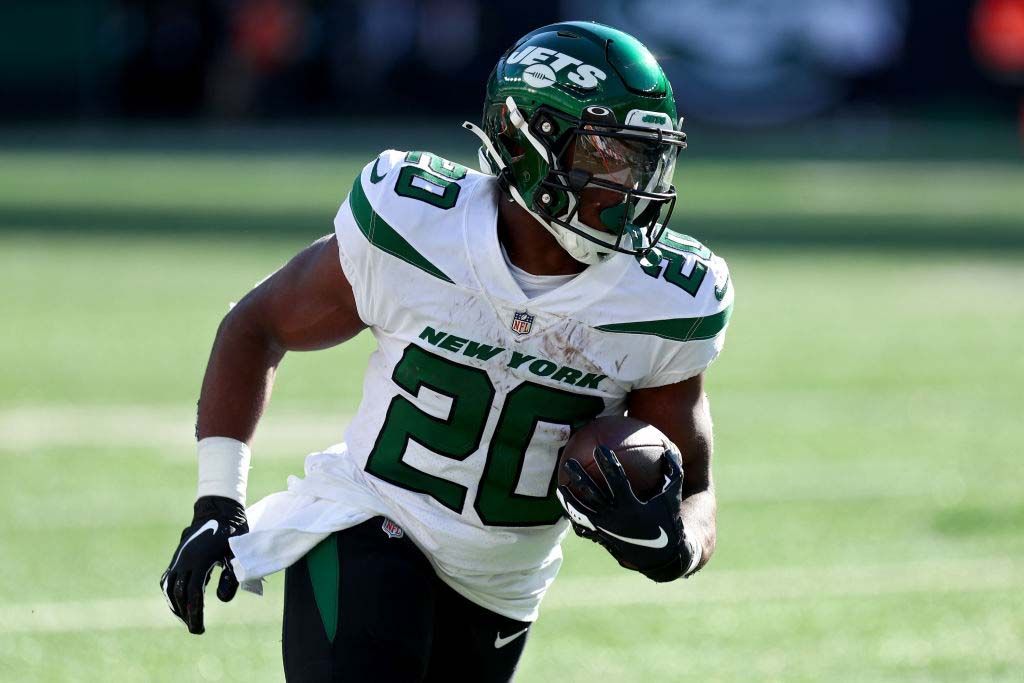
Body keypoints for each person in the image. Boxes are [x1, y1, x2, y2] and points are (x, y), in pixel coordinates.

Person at [161, 20, 733, 682]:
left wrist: (676, 547)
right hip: (370, 515)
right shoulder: (416, 224)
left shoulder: (665, 300)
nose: (637, 184)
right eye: (613, 156)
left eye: (649, 158)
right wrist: (217, 500)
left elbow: (696, 487)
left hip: (499, 585)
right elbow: (255, 324)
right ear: (532, 143)